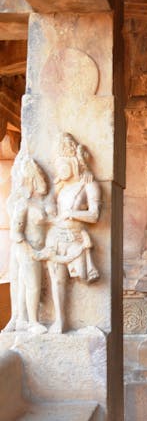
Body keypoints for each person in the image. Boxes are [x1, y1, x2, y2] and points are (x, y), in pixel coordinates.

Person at [35, 133, 101, 333]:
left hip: (75, 238)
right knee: (57, 279)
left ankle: (80, 318)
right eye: (57, 165)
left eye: (62, 165)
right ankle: (61, 319)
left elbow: (95, 215)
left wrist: (72, 213)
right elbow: (50, 208)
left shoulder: (89, 184)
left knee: (77, 278)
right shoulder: (61, 188)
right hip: (56, 236)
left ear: (73, 164)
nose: (58, 170)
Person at [2, 149, 49, 334]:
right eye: (39, 180)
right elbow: (15, 232)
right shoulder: (23, 204)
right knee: (31, 285)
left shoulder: (38, 203)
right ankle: (32, 321)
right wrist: (28, 248)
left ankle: (26, 319)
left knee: (31, 284)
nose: (43, 184)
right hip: (27, 250)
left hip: (38, 249)